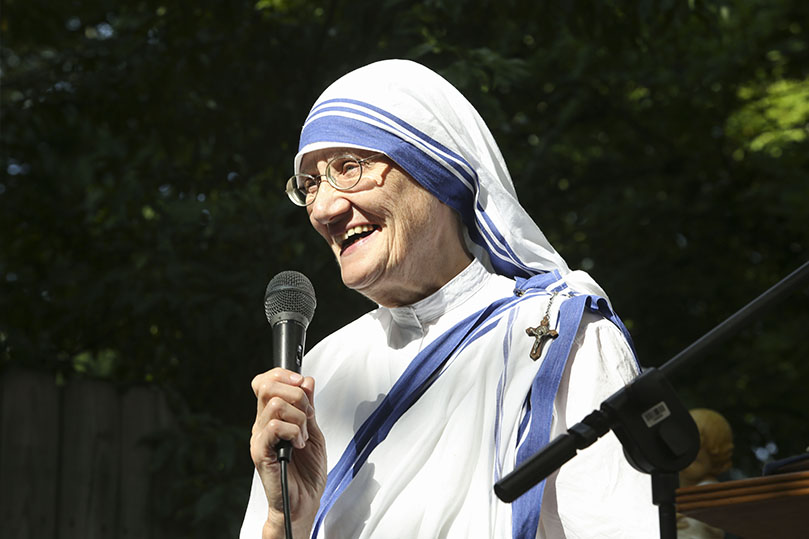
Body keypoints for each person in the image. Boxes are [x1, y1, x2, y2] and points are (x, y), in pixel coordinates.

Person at [240, 59, 658, 538]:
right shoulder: (322, 372)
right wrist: (284, 518)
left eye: (349, 168)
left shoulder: (559, 335)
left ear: (435, 168)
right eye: (310, 184)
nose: (324, 208)